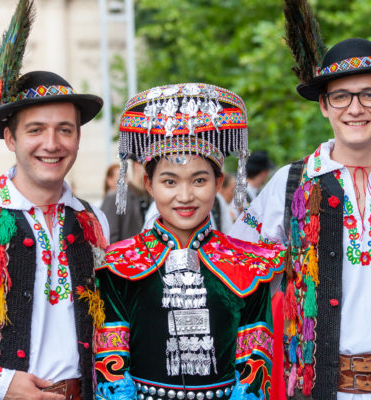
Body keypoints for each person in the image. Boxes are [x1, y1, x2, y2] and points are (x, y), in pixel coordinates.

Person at [93, 83, 285, 399]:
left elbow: (254, 368)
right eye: (170, 181)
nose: (185, 196)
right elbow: (111, 367)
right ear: (149, 185)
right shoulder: (118, 265)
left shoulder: (250, 266)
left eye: (199, 180)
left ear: (218, 183)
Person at [230, 3, 371, 398]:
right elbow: (235, 266)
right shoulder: (292, 184)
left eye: (368, 94)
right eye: (341, 97)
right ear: (324, 105)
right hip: (316, 389)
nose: (355, 108)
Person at [0, 1, 109, 399]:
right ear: (10, 138)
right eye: (35, 130)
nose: (52, 144)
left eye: (65, 129)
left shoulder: (92, 220)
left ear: (78, 138)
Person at [101, 160, 151, 243]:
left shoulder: (150, 197)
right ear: (136, 165)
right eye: (148, 165)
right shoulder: (114, 198)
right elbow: (109, 238)